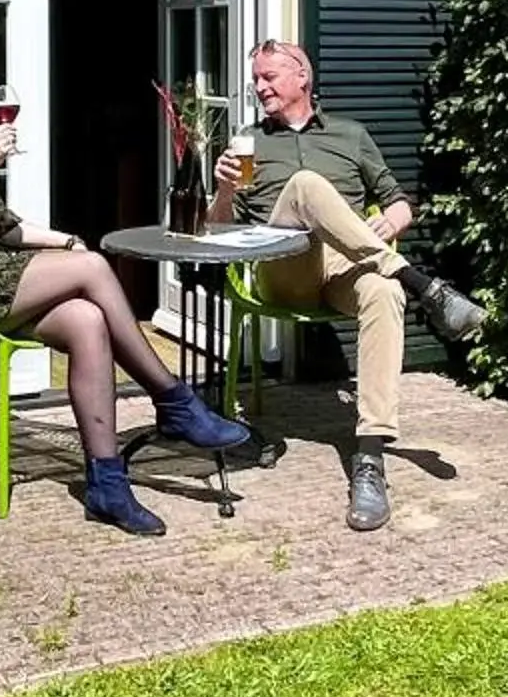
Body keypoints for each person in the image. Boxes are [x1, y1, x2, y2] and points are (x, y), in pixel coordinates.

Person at [0, 30, 250, 537]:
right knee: (92, 268)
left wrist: (65, 239)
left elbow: (4, 228)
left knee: (87, 318)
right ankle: (174, 401)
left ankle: (106, 484)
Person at [206, 38, 487, 534]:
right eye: (256, 80)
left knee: (384, 292)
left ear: (302, 78)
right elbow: (217, 232)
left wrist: (391, 225)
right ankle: (425, 284)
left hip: (346, 266)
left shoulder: (351, 135)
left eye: (269, 77)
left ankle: (371, 456)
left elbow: (398, 202)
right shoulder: (248, 142)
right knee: (307, 186)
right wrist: (225, 189)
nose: (259, 87)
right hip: (282, 266)